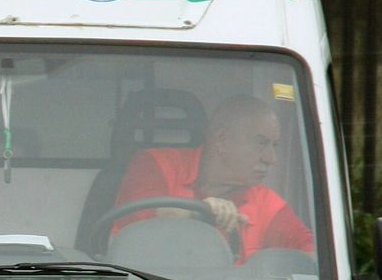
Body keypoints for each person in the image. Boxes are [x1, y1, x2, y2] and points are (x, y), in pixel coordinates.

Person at [111, 93, 314, 261]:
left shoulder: (267, 204)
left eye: (274, 145)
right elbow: (138, 222)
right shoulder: (155, 164)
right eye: (261, 143)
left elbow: (314, 260)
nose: (271, 159)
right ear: (222, 140)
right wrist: (201, 211)